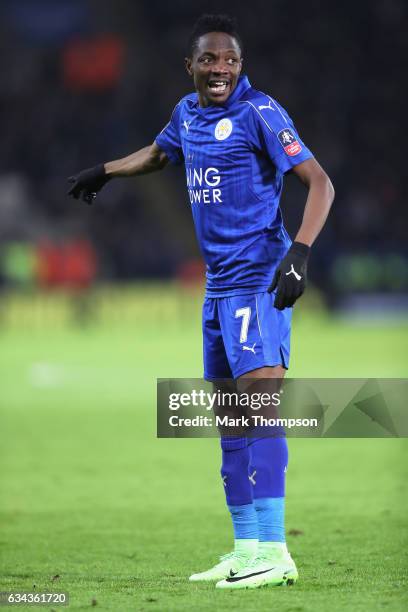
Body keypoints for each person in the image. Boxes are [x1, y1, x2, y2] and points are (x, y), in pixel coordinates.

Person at [68, 14, 334, 590]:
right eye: (210, 60)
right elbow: (161, 155)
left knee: (260, 410)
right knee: (230, 422)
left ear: (242, 66)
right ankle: (245, 548)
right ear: (190, 66)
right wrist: (106, 172)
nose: (220, 69)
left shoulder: (260, 112)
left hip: (260, 280)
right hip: (217, 287)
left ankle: (275, 550)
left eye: (230, 60)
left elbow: (320, 182)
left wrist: (300, 254)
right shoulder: (186, 115)